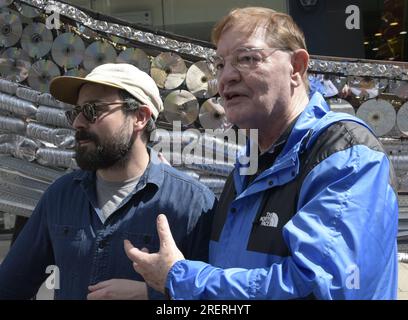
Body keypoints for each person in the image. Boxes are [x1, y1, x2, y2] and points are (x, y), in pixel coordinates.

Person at [124, 7, 399, 300]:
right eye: (219, 64)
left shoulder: (346, 156)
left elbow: (323, 289)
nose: (225, 77)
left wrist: (180, 279)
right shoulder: (248, 167)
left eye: (247, 59)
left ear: (297, 67)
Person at [0, 63, 215, 299]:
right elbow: (10, 287)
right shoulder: (61, 196)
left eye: (92, 110)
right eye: (76, 112)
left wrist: (154, 294)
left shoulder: (193, 204)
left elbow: (218, 300)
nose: (77, 123)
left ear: (140, 117)